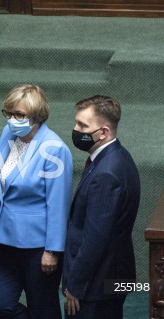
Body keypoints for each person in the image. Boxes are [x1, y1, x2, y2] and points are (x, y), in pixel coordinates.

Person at [0, 84, 73, 318]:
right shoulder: (10, 135)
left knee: (43, 307)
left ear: (37, 117)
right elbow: (9, 173)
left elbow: (59, 205)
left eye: (19, 115)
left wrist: (53, 250)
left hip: (38, 246)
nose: (11, 120)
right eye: (9, 113)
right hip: (5, 240)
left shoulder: (55, 150)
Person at [62, 95, 140, 319]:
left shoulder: (106, 173)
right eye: (76, 122)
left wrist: (76, 286)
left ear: (103, 132)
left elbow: (94, 239)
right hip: (109, 277)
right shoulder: (118, 156)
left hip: (95, 285)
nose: (76, 130)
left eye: (83, 126)